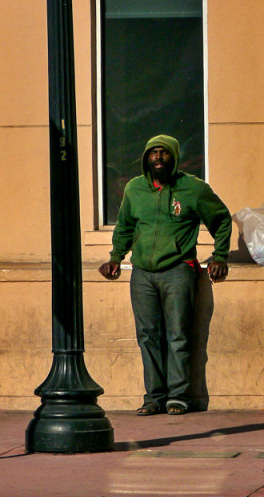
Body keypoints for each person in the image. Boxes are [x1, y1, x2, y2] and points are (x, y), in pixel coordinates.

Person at [99, 134, 232, 416]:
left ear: (174, 157)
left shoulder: (193, 189)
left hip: (179, 270)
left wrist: (220, 255)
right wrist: (115, 257)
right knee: (147, 336)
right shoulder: (135, 189)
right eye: (153, 153)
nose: (158, 157)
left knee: (178, 335)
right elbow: (124, 227)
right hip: (142, 274)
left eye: (164, 153)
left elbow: (221, 219)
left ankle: (178, 397)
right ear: (146, 158)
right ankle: (154, 397)